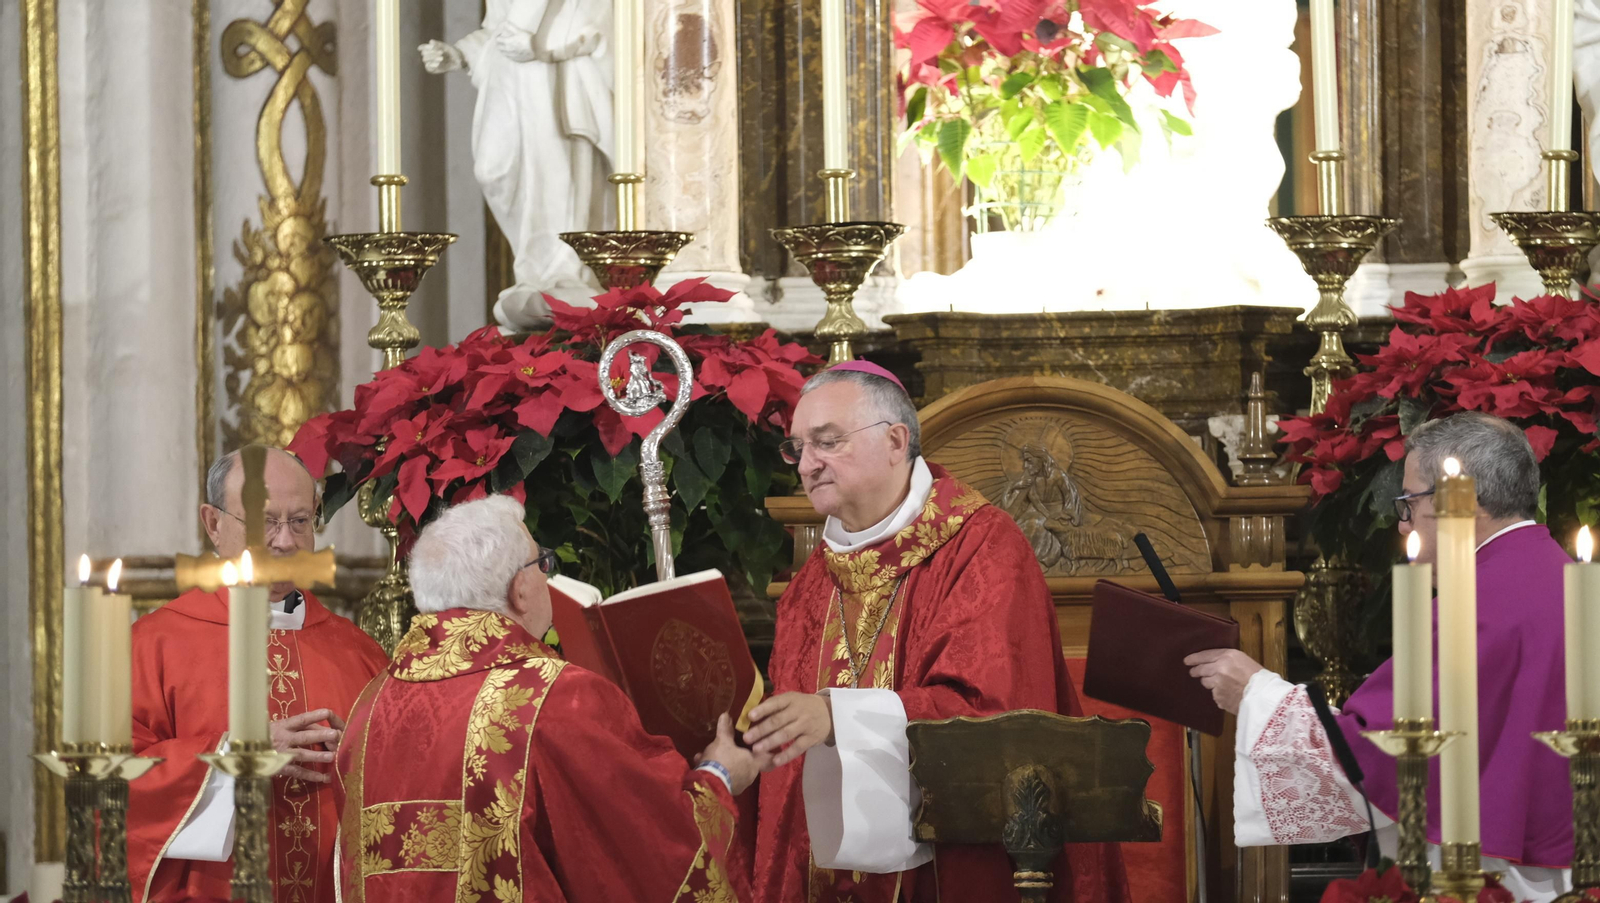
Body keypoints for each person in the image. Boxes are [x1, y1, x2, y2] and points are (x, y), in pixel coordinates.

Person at [743, 361, 1130, 903]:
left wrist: (837, 716)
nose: (807, 464)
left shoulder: (981, 548)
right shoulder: (811, 584)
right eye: (796, 449)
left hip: (954, 870)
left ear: (896, 440)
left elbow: (994, 718)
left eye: (827, 443)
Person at [1186, 412, 1573, 901]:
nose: (1402, 523)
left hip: (1488, 877)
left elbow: (1377, 755)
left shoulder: (1477, 604)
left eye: (1409, 504)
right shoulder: (1562, 577)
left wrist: (1255, 693)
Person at [334, 494, 765, 902]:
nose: (547, 576)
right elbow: (654, 849)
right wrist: (719, 777)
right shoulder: (554, 697)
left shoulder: (372, 705)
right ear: (519, 590)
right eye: (542, 564)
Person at [128, 447, 389, 903]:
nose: (284, 541)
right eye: (263, 521)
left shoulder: (360, 653)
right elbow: (110, 788)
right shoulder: (153, 645)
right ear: (212, 523)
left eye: (301, 521)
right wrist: (235, 758)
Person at [419, 0, 613, 329]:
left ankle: (565, 274)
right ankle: (534, 273)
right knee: (493, 168)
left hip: (556, 77)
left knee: (557, 173)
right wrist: (461, 53)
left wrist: (541, 45)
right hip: (508, 75)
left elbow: (601, 15)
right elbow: (498, 26)